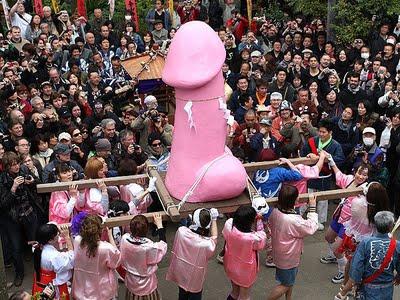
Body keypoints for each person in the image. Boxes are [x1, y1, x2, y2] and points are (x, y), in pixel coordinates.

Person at [320, 153, 370, 284]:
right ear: (355, 172)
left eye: (365, 175)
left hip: (350, 223)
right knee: (328, 237)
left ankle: (343, 272)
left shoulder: (367, 189)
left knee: (338, 249)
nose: (361, 176)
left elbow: (375, 198)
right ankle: (334, 257)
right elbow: (338, 174)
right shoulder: (349, 180)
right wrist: (331, 161)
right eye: (360, 173)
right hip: (339, 215)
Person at [267, 185, 318, 300]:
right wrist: (313, 207)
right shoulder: (293, 220)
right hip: (289, 256)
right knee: (286, 284)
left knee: (288, 280)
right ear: (294, 200)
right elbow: (311, 227)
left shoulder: (275, 212)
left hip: (279, 252)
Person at [335, 211, 400, 300]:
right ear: (391, 227)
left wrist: (346, 289)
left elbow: (356, 268)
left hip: (368, 287)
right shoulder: (397, 245)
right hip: (387, 288)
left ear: (375, 225)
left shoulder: (365, 243)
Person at [301, 118, 345, 230]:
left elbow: (340, 159)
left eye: (324, 132)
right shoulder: (311, 141)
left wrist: (325, 158)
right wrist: (309, 157)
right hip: (311, 174)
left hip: (325, 176)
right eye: (319, 131)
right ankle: (301, 217)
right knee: (307, 196)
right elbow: (303, 155)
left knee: (323, 200)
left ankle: (320, 221)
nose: (321, 134)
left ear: (330, 133)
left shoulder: (335, 145)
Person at [166, 208, 219, 300]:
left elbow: (187, 227)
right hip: (195, 277)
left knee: (182, 293)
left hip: (181, 271)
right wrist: (214, 219)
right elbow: (214, 237)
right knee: (195, 296)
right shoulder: (207, 243)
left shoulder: (182, 232)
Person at [223, 205, 266, 300]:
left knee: (234, 292)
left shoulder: (229, 226)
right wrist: (259, 221)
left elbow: (227, 227)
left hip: (231, 265)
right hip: (246, 272)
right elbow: (262, 238)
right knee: (244, 297)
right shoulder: (252, 238)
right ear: (250, 222)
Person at [72, 214, 121, 299]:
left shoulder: (77, 241)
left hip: (80, 290)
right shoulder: (106, 248)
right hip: (101, 293)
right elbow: (116, 261)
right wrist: (110, 235)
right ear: (100, 230)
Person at [120, 213, 167, 300]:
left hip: (131, 280)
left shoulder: (124, 239)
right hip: (146, 283)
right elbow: (163, 246)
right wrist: (160, 225)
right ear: (146, 229)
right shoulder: (148, 246)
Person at [32, 224, 74, 300]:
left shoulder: (37, 248)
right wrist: (67, 237)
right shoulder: (53, 256)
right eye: (57, 235)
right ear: (50, 240)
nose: (58, 236)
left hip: (40, 284)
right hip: (52, 288)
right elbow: (71, 259)